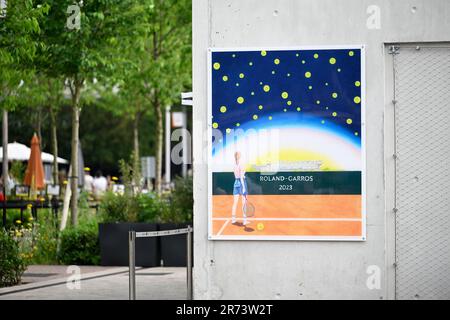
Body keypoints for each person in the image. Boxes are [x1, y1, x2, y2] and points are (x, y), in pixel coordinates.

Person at [231, 151, 249, 226]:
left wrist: (242, 175)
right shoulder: (241, 164)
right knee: (244, 203)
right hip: (241, 183)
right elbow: (241, 177)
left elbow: (237, 175)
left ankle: (233, 219)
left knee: (235, 203)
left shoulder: (234, 164)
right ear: (239, 156)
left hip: (236, 183)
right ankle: (245, 221)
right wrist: (244, 188)